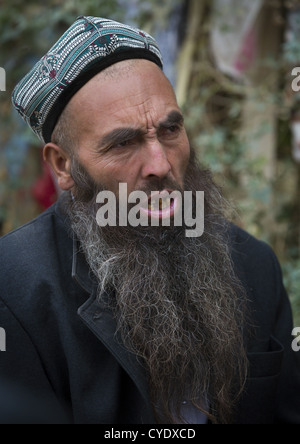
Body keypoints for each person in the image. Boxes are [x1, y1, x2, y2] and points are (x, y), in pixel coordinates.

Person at [0, 16, 299, 425]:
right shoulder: (12, 291)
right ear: (62, 164)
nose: (160, 164)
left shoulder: (254, 265)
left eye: (170, 129)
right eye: (123, 143)